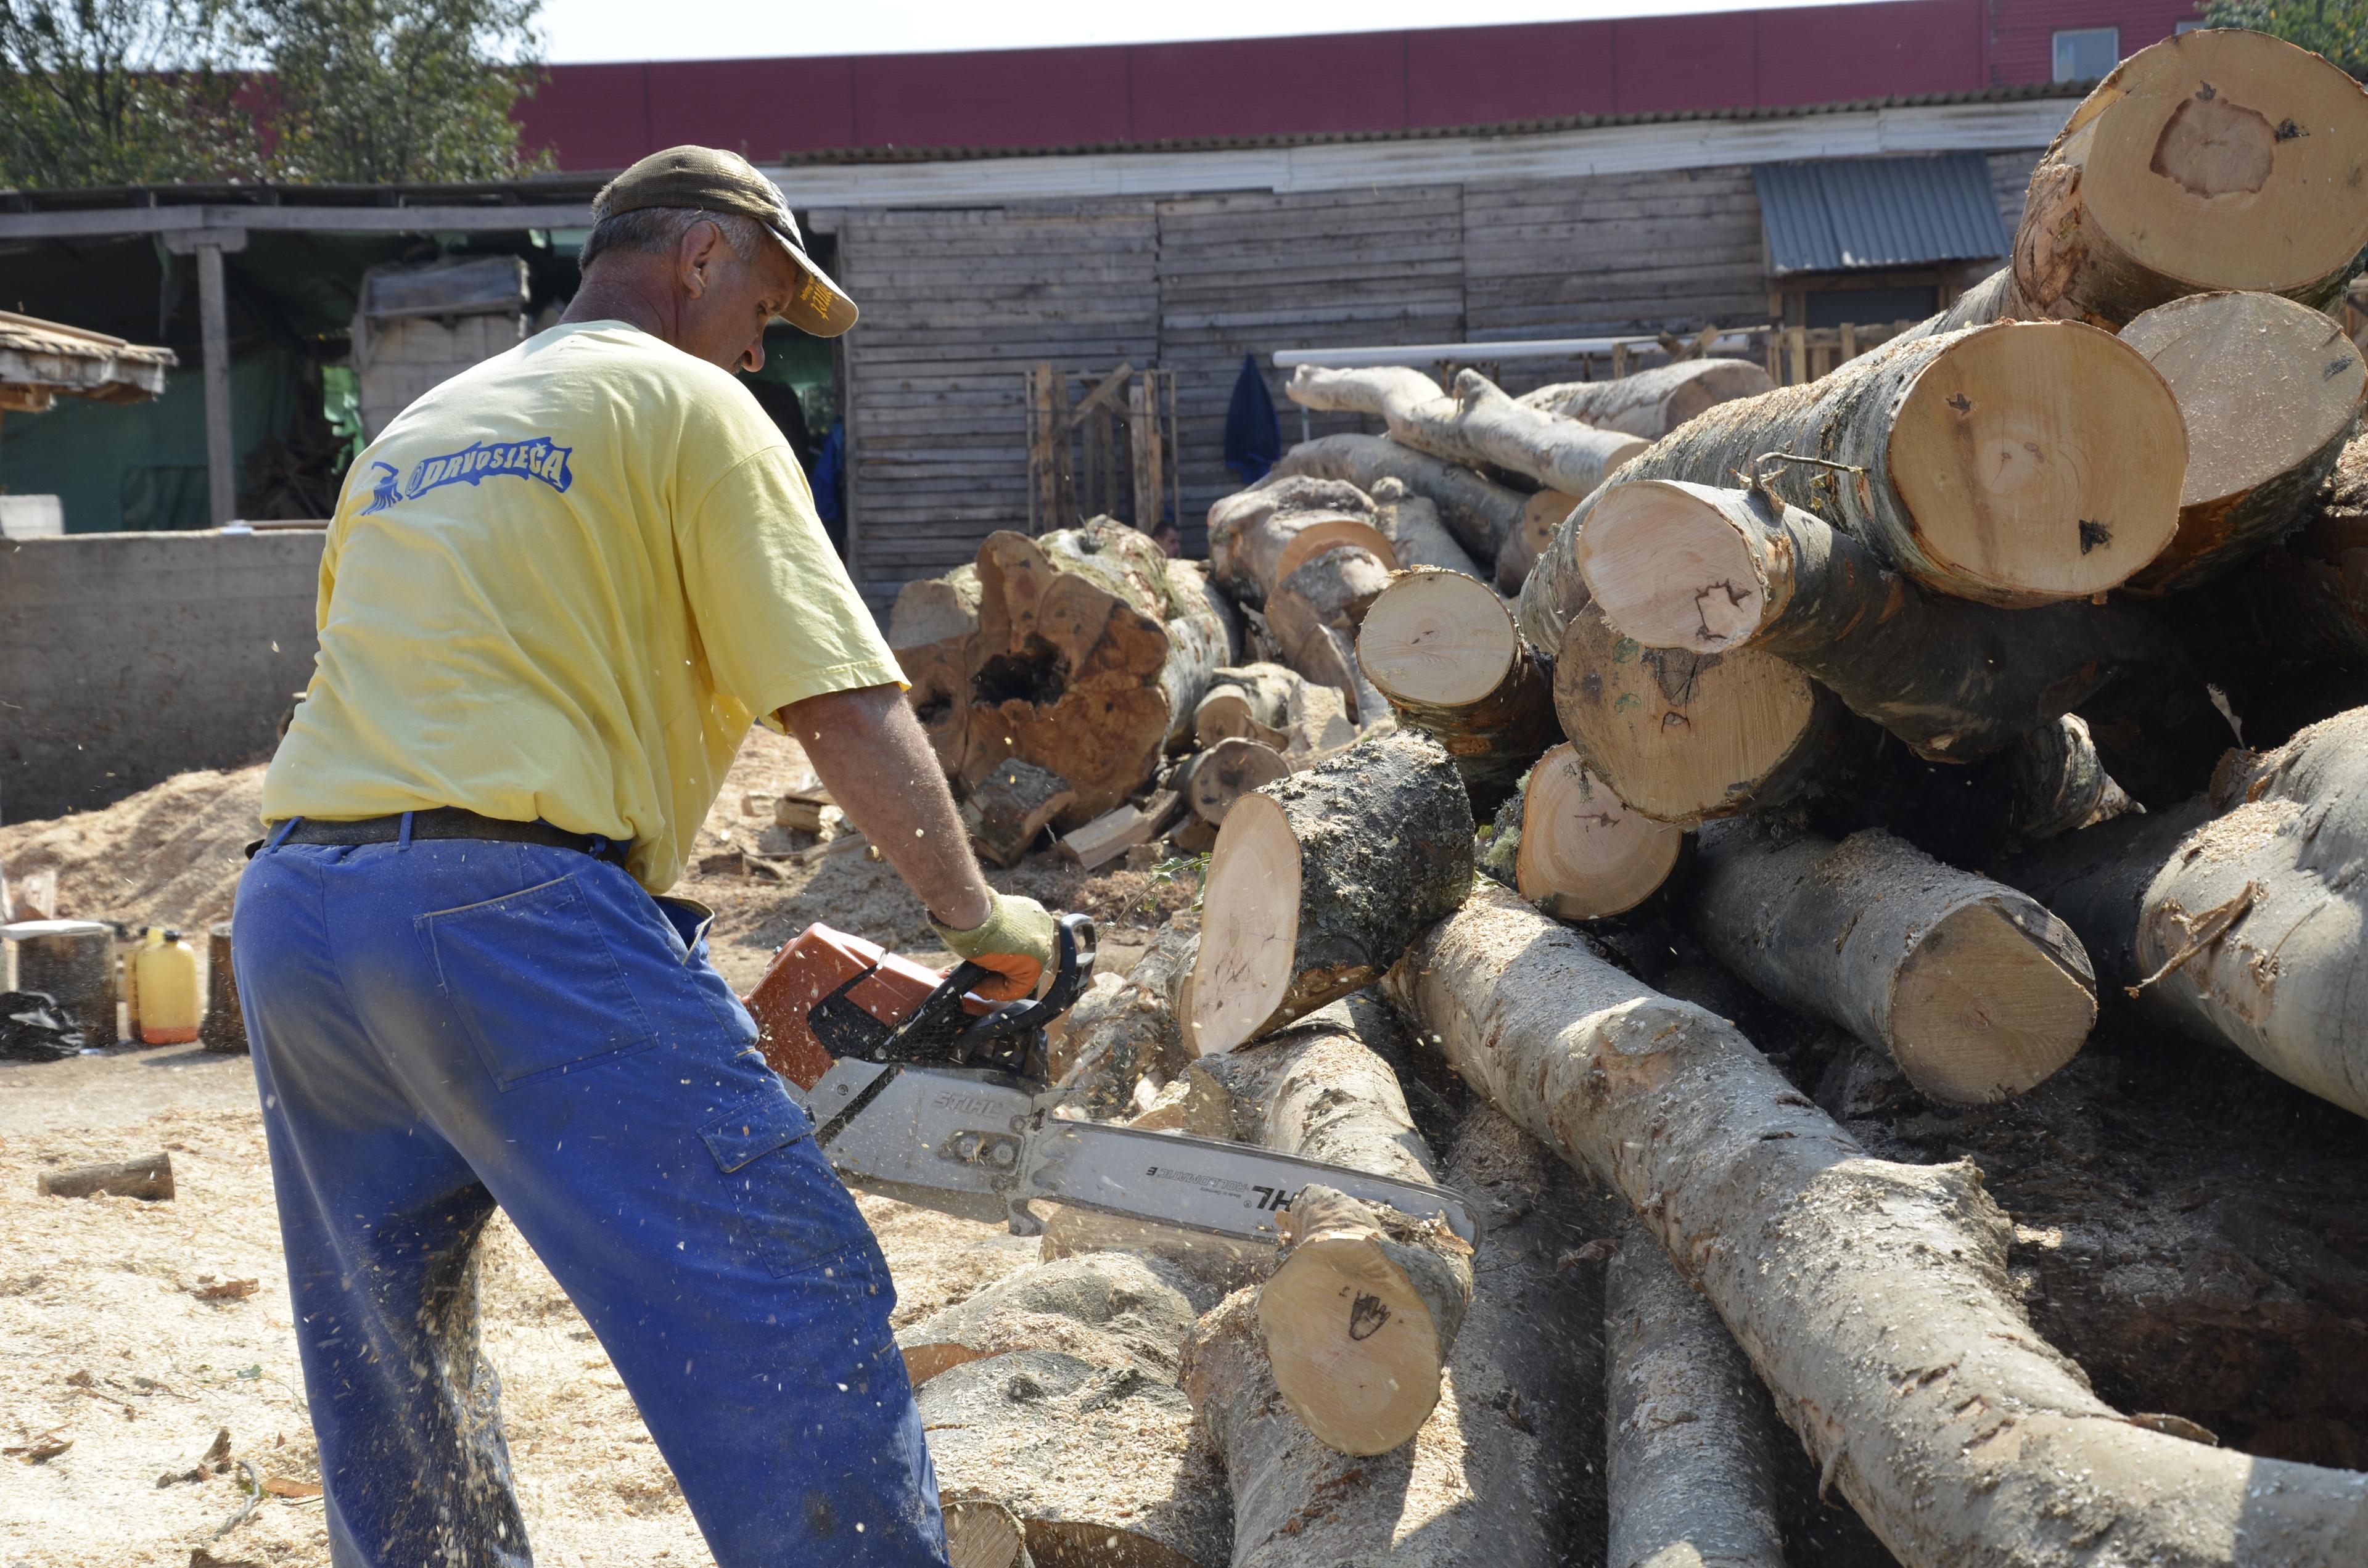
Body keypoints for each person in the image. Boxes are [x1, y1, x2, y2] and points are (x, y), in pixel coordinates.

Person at [234, 146, 1059, 1568]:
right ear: (701, 258)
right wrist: (979, 914)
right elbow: (840, 703)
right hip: (510, 914)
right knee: (786, 1301)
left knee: (393, 1362)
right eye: (769, 303)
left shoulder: (416, 431)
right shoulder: (694, 404)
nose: (765, 341)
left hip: (301, 915)